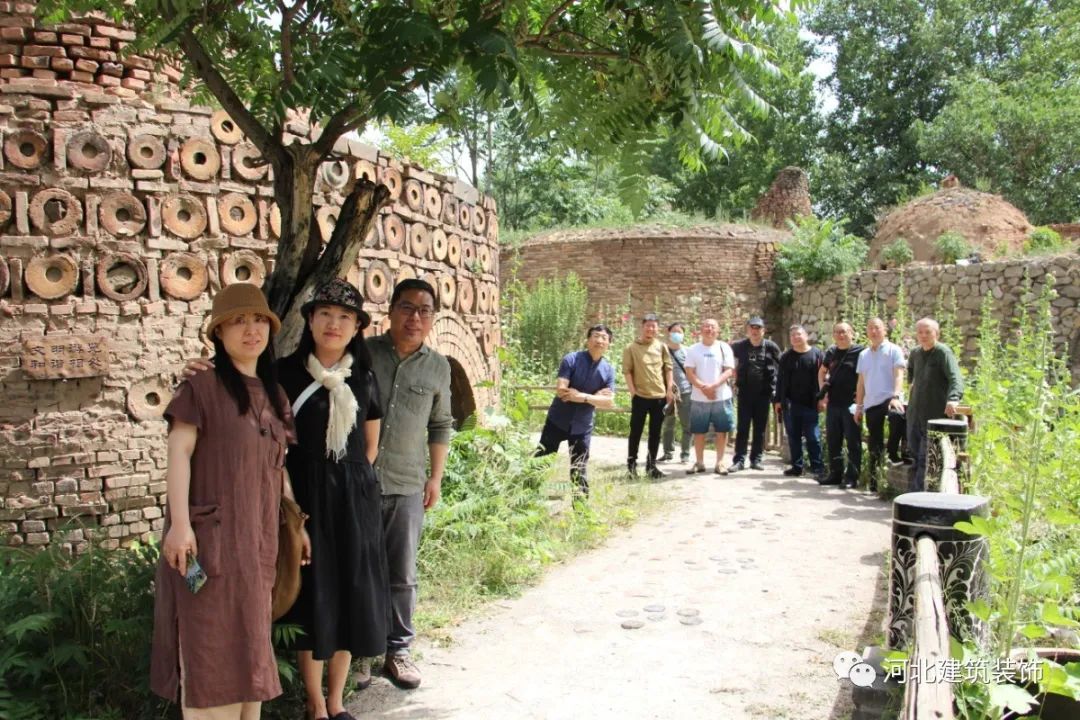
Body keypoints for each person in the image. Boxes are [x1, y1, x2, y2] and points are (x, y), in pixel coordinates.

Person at [151, 282, 307, 719]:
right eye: (237, 321)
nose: (250, 329)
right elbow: (179, 452)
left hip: (256, 550)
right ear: (218, 333)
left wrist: (296, 523)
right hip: (208, 548)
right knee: (211, 664)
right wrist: (179, 526)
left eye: (258, 320)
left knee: (249, 665)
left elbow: (277, 467)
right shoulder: (202, 385)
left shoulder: (275, 396)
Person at [276, 279, 390, 720]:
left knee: (351, 594)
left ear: (357, 327)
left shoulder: (363, 378)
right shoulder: (284, 374)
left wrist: (348, 484)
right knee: (316, 595)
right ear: (309, 319)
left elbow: (370, 445)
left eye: (345, 318)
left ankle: (339, 701)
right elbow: (276, 448)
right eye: (325, 314)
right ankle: (315, 703)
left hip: (355, 500)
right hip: (307, 498)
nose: (334, 324)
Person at [367, 278, 454, 690]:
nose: (414, 317)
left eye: (424, 310)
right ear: (390, 311)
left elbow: (440, 424)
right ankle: (361, 653)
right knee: (359, 568)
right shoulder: (362, 354)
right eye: (407, 307)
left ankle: (397, 651)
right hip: (359, 483)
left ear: (433, 319)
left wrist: (435, 478)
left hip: (406, 484)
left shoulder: (438, 368)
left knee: (402, 573)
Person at [534, 325, 617, 497]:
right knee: (541, 463)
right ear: (588, 339)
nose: (599, 340)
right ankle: (526, 501)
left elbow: (609, 402)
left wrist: (582, 396)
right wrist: (595, 397)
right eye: (595, 336)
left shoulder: (608, 370)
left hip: (582, 426)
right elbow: (562, 391)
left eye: (604, 338)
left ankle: (581, 511)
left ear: (609, 344)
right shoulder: (571, 359)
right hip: (557, 420)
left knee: (579, 469)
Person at [905, 318, 964, 491]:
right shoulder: (915, 353)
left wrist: (953, 398)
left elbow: (956, 378)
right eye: (920, 332)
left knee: (926, 458)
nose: (923, 336)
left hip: (934, 415)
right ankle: (919, 494)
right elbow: (910, 374)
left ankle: (917, 498)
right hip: (915, 414)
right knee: (916, 455)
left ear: (936, 334)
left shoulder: (942, 352)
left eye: (928, 332)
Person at [854, 317, 909, 490]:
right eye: (870, 328)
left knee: (897, 417)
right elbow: (861, 383)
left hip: (889, 398)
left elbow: (899, 375)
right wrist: (859, 406)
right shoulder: (864, 355)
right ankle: (873, 481)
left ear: (884, 330)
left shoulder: (894, 350)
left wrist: (896, 396)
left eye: (877, 328)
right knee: (874, 443)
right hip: (872, 402)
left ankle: (893, 451)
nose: (873, 331)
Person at [622, 313, 674, 479]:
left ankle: (651, 466)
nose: (650, 329)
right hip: (640, 397)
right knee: (635, 432)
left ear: (657, 329)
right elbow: (627, 371)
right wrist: (633, 392)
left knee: (655, 433)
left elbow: (668, 368)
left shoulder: (661, 346)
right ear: (642, 327)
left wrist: (669, 390)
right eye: (648, 326)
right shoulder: (631, 347)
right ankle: (631, 467)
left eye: (654, 326)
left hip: (658, 396)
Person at [683, 318, 736, 475]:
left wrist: (713, 386)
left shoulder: (724, 347)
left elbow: (728, 370)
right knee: (699, 431)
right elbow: (689, 372)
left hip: (721, 396)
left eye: (713, 327)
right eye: (706, 326)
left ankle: (720, 462)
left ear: (718, 330)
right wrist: (703, 388)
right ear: (701, 329)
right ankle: (699, 462)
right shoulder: (693, 349)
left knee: (722, 430)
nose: (709, 329)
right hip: (699, 398)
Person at [729, 316, 781, 472]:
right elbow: (724, 355)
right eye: (752, 328)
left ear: (763, 331)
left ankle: (756, 459)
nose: (755, 331)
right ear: (748, 330)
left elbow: (782, 367)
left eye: (758, 328)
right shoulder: (739, 346)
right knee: (743, 427)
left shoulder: (771, 347)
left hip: (763, 394)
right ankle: (739, 460)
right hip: (744, 393)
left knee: (759, 429)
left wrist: (778, 388)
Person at [775, 325, 825, 479]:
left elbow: (823, 378)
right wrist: (778, 400)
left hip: (811, 403)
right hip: (791, 404)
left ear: (806, 335)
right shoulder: (786, 357)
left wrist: (822, 398)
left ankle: (818, 468)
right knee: (793, 437)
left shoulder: (817, 355)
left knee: (813, 437)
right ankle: (797, 467)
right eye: (792, 335)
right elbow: (780, 380)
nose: (795, 337)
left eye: (798, 334)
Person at [818, 322, 865, 487]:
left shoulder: (860, 352)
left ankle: (852, 477)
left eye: (844, 332)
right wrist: (823, 393)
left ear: (852, 333)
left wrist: (861, 400)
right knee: (833, 440)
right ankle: (835, 474)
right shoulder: (831, 352)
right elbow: (822, 372)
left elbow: (864, 377)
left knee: (853, 441)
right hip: (834, 403)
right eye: (837, 332)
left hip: (851, 404)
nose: (841, 335)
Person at [660, 322, 693, 464]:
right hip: (668, 393)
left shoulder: (688, 351)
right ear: (668, 332)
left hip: (686, 391)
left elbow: (693, 371)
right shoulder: (663, 350)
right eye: (674, 331)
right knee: (668, 424)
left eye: (680, 332)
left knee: (687, 424)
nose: (677, 334)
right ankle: (668, 452)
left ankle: (685, 454)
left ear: (684, 335)